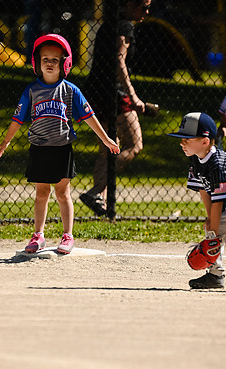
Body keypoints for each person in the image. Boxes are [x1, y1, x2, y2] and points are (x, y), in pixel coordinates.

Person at [0, 34, 119, 254]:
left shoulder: (71, 91)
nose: (50, 63)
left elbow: (89, 116)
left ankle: (67, 235)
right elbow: (17, 119)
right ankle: (39, 235)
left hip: (63, 149)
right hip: (40, 149)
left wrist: (105, 138)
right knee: (41, 193)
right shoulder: (31, 91)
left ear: (65, 63)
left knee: (63, 193)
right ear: (37, 63)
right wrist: (6, 141)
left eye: (55, 59)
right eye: (45, 59)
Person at [80, 0, 159, 216]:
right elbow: (119, 61)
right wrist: (133, 97)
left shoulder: (109, 24)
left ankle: (101, 202)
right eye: (142, 6)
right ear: (127, 5)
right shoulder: (125, 26)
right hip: (113, 93)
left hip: (95, 92)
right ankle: (95, 191)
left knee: (107, 149)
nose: (146, 12)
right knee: (134, 145)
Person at [167, 111, 226, 292]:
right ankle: (216, 275)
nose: (181, 143)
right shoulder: (195, 160)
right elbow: (204, 190)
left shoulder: (218, 163)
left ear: (205, 141)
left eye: (187, 139)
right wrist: (210, 222)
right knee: (213, 233)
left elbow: (218, 203)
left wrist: (214, 227)